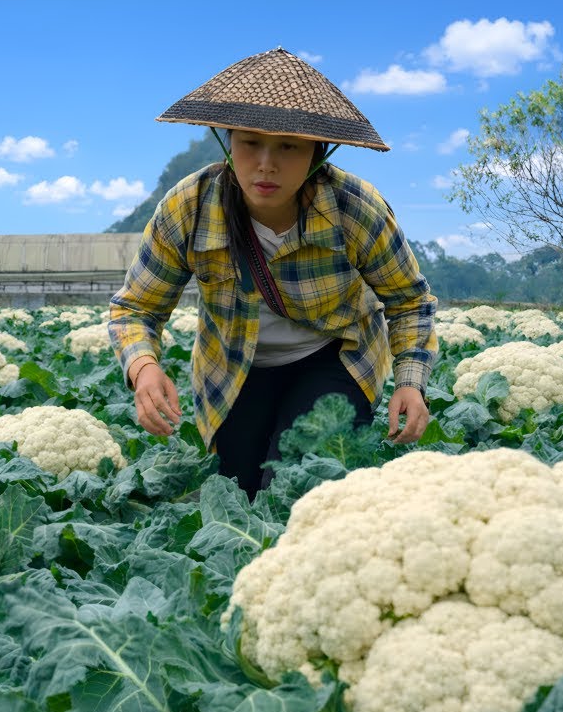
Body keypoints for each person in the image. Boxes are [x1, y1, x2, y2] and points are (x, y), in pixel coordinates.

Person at [108, 48, 438, 500]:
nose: (266, 163)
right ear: (227, 143)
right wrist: (144, 369)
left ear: (317, 154)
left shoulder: (354, 209)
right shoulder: (188, 207)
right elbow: (136, 307)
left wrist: (410, 382)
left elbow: (409, 301)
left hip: (334, 358)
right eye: (250, 143)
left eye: (288, 146)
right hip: (234, 369)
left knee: (296, 493)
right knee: (239, 496)